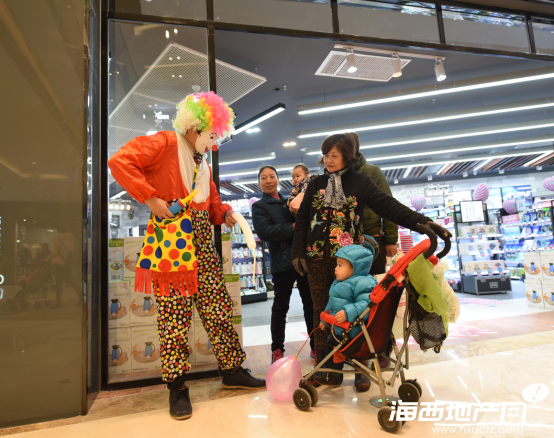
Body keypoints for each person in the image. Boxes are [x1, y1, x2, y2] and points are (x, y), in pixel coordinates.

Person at [108, 91, 265, 421]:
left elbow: (212, 204)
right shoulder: (165, 143)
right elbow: (120, 161)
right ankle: (177, 387)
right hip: (172, 243)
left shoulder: (201, 163)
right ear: (195, 127)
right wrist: (150, 198)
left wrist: (227, 214)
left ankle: (232, 370)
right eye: (213, 136)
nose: (214, 144)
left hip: (203, 243)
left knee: (218, 309)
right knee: (174, 318)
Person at [291, 133, 451, 389]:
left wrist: (423, 222)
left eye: (334, 155)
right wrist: (298, 252)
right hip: (318, 258)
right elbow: (302, 220)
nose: (328, 160)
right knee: (322, 311)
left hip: (351, 260)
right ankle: (327, 368)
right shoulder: (315, 184)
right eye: (326, 155)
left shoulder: (361, 182)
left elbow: (389, 206)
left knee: (358, 311)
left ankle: (360, 366)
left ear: (348, 156)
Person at [252, 165, 315, 363]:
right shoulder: (260, 206)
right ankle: (277, 349)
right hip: (281, 263)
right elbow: (265, 232)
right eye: (264, 178)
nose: (268, 181)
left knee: (310, 304)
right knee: (280, 307)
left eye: (272, 176)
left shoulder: (291, 201)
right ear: (259, 182)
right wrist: (294, 227)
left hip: (302, 259)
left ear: (278, 179)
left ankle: (316, 346)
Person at [314, 243, 377, 386]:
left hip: (356, 331)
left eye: (340, 265)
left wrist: (348, 312)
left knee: (340, 347)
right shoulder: (338, 283)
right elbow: (331, 304)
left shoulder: (364, 282)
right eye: (336, 264)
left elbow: (366, 304)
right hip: (340, 329)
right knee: (331, 346)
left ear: (355, 267)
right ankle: (333, 374)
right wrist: (325, 321)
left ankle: (355, 372)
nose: (335, 268)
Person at [349, 133, 398, 276]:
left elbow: (388, 205)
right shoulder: (337, 177)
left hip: (372, 239)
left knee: (373, 284)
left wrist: (391, 240)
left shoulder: (371, 171)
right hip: (346, 242)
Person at [42, 225, 77, 308]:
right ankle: (81, 297)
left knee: (59, 283)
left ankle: (58, 303)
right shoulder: (71, 237)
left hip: (60, 263)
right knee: (70, 280)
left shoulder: (57, 238)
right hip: (69, 261)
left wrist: (46, 259)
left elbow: (54, 252)